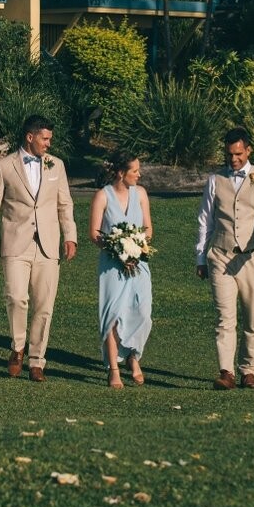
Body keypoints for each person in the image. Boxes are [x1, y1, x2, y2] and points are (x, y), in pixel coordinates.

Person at [0, 115, 78, 383]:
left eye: (50, 139)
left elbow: (65, 204)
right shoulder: (4, 166)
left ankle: (36, 360)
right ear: (30, 137)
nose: (48, 143)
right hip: (15, 242)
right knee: (16, 297)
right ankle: (18, 347)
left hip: (48, 245)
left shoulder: (57, 165)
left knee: (44, 305)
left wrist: (70, 236)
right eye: (45, 138)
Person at [196, 127, 254, 390]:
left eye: (238, 154)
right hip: (221, 256)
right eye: (229, 155)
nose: (233, 159)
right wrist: (200, 257)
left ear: (248, 150)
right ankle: (227, 373)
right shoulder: (215, 179)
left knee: (252, 317)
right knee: (225, 319)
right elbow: (205, 221)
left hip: (252, 257)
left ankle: (249, 370)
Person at [89, 150, 153, 388]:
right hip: (112, 267)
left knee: (142, 313)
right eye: (134, 171)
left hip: (139, 264)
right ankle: (114, 369)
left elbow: (148, 229)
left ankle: (133, 356)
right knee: (113, 315)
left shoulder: (141, 194)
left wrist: (137, 248)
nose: (139, 174)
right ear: (120, 173)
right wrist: (117, 249)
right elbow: (94, 233)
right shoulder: (102, 196)